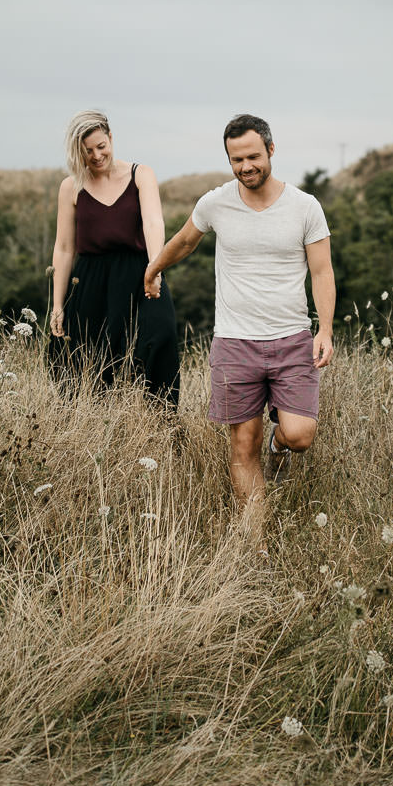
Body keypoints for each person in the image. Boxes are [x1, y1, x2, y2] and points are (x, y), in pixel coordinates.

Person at [144, 113, 334, 515]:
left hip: (291, 338)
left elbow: (322, 272)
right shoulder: (215, 203)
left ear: (271, 149)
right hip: (234, 343)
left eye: (253, 157)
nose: (246, 167)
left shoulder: (305, 207)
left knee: (300, 434)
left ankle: (279, 446)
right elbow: (185, 241)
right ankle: (255, 540)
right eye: (237, 160)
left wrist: (325, 330)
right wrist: (154, 268)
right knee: (243, 445)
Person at [49, 110, 181, 406]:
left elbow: (153, 223)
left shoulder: (141, 174)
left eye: (101, 146)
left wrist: (155, 268)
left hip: (140, 272)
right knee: (85, 357)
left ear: (111, 137)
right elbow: (64, 247)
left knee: (159, 334)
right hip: (90, 280)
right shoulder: (71, 187)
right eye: (87, 151)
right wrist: (57, 305)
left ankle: (160, 417)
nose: (97, 156)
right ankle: (91, 422)